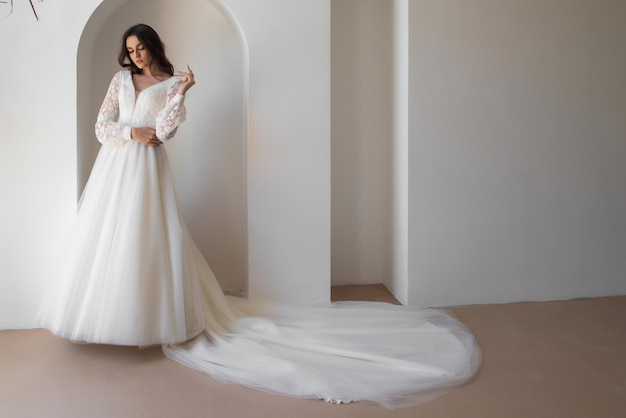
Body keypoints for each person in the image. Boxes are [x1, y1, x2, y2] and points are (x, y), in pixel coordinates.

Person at [38, 23, 480, 409]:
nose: (135, 56)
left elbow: (169, 130)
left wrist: (183, 91)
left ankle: (153, 318)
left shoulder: (171, 82)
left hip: (149, 171)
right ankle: (111, 317)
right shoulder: (119, 81)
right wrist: (130, 131)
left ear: (154, 47)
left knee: (149, 240)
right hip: (116, 167)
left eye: (141, 49)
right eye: (130, 50)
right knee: (109, 240)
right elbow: (101, 128)